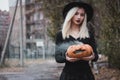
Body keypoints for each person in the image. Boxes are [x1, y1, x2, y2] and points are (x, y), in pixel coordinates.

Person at [55, 1, 99, 80]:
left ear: (84, 17)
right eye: (76, 14)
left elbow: (96, 56)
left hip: (86, 75)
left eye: (82, 15)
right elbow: (58, 57)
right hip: (68, 76)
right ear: (70, 15)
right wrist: (66, 57)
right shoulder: (61, 35)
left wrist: (92, 57)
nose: (79, 17)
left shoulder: (88, 35)